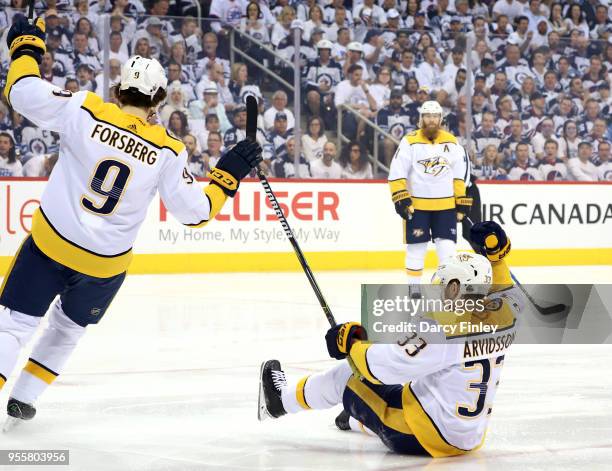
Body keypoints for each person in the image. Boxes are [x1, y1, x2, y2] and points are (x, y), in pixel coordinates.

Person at [0, 17, 262, 427]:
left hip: (51, 245)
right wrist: (228, 176)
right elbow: (195, 213)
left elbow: (21, 93)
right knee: (67, 329)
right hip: (104, 267)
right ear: (158, 99)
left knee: (13, 325)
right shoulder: (168, 150)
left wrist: (27, 47)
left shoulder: (84, 108)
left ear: (119, 88)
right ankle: (26, 396)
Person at [258, 221, 521, 458]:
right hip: (468, 436)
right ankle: (353, 419)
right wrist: (497, 261)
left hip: (420, 435)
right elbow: (511, 296)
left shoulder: (444, 328)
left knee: (348, 376)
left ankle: (280, 401)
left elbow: (382, 368)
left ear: (455, 288)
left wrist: (351, 344)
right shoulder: (503, 318)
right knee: (414, 382)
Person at [387, 101, 471, 286]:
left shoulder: (451, 141)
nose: (431, 120)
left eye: (435, 116)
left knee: (448, 250)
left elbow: (459, 175)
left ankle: (446, 288)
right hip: (417, 207)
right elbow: (397, 171)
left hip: (446, 207)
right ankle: (414, 288)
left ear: (440, 119)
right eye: (427, 116)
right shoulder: (410, 140)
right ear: (421, 119)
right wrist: (400, 197)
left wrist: (461, 201)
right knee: (416, 248)